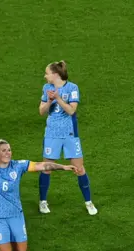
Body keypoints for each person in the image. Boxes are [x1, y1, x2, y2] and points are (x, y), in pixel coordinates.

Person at [38, 60, 97, 216]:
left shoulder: (72, 88)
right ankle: (43, 202)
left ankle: (88, 202)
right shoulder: (46, 88)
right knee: (47, 168)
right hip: (51, 134)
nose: (45, 76)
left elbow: (71, 111)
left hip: (70, 134)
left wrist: (57, 98)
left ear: (55, 74)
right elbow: (41, 111)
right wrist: (49, 100)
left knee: (79, 169)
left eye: (47, 73)